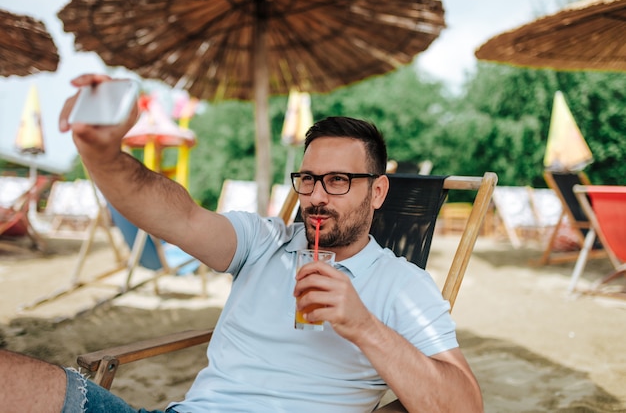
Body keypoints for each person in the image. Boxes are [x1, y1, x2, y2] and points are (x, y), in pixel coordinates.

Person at [0, 74, 483, 413]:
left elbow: (464, 405)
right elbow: (176, 214)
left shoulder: (403, 285)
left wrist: (363, 326)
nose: (316, 196)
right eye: (308, 179)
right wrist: (100, 153)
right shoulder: (263, 241)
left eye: (339, 180)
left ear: (377, 192)